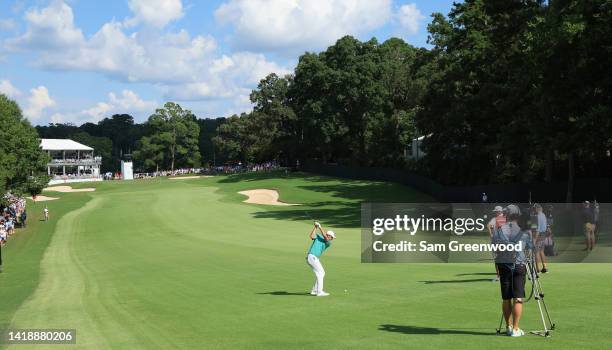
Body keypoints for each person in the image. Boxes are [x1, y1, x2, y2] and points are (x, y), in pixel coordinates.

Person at [492, 204, 533, 337]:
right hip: (519, 265)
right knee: (518, 298)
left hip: (504, 265)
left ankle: (508, 326)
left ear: (506, 215)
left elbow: (494, 248)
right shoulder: (524, 231)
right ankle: (515, 329)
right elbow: (530, 247)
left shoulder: (498, 231)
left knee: (506, 298)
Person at [306, 222, 336, 297]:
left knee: (321, 273)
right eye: (332, 237)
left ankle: (314, 290)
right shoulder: (319, 236)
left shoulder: (328, 243)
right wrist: (316, 227)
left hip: (313, 258)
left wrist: (319, 227)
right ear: (329, 235)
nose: (332, 239)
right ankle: (319, 292)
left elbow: (325, 237)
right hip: (312, 257)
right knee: (321, 273)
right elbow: (311, 236)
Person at [488, 206, 506, 282]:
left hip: (497, 242)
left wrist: (491, 235)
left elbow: (488, 226)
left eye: (496, 211)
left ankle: (499, 276)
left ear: (499, 212)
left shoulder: (495, 219)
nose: (495, 212)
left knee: (497, 259)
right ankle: (504, 275)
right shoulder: (506, 218)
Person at [533, 204, 548, 273]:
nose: (533, 209)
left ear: (537, 209)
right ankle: (545, 268)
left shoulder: (537, 216)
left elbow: (538, 229)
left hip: (539, 235)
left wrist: (534, 239)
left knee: (536, 252)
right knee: (542, 251)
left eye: (534, 208)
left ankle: (537, 269)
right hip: (543, 234)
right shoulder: (543, 215)